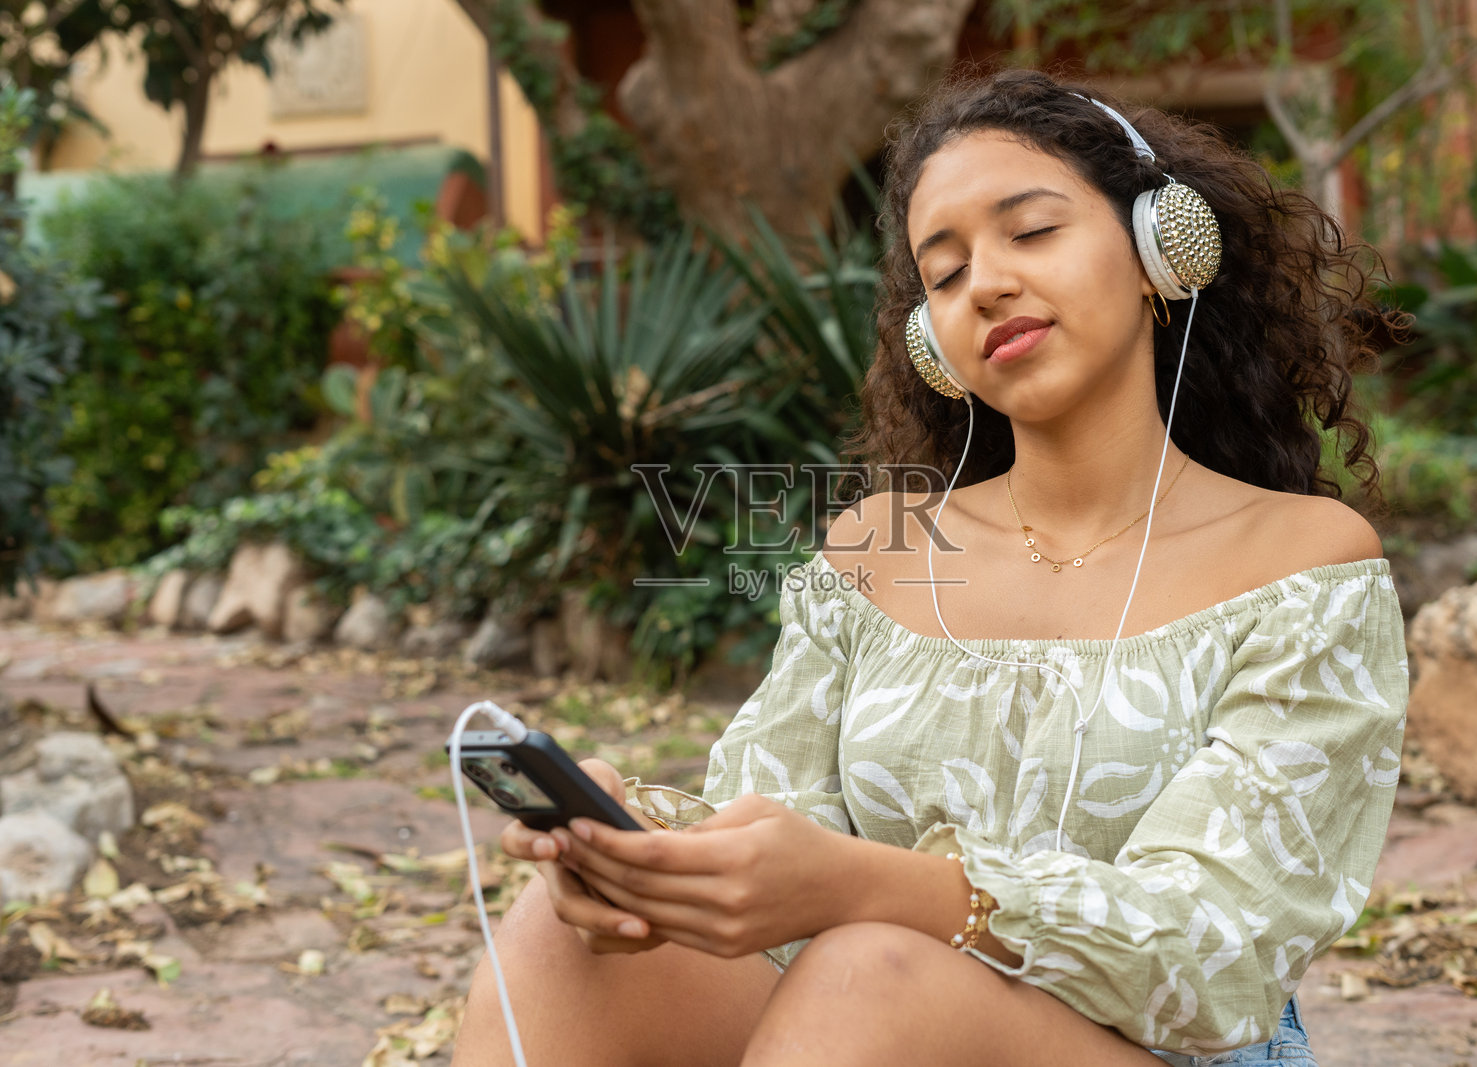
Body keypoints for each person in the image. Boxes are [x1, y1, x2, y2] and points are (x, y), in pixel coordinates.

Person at [452, 68, 1410, 1067]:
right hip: (856, 1025)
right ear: (934, 343)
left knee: (874, 968)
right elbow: (782, 839)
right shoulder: (877, 553)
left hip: (1166, 1047)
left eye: (1030, 231)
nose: (986, 282)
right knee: (561, 934)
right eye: (943, 274)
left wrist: (875, 889)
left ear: (1159, 250)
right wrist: (641, 846)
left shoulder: (1302, 560)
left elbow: (1217, 954)